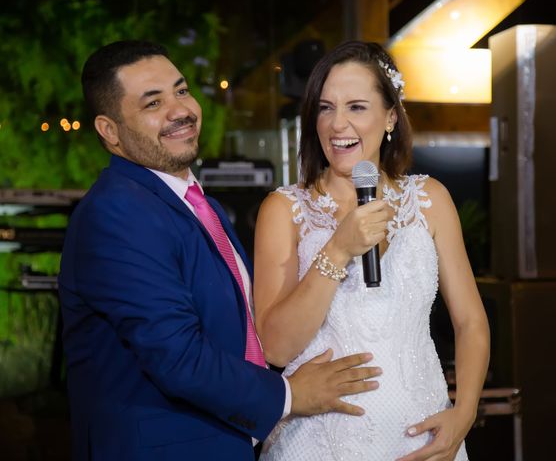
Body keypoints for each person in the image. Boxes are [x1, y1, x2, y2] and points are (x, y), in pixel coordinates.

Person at [57, 40, 383, 461]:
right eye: (153, 103)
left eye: (181, 90)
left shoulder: (196, 203)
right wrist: (290, 395)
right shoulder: (116, 212)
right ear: (110, 131)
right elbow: (177, 355)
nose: (180, 110)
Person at [253, 40, 490, 461]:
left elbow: (471, 321)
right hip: (319, 440)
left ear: (390, 117)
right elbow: (275, 347)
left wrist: (463, 414)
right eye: (325, 108)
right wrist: (338, 250)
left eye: (356, 107)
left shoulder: (430, 199)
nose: (337, 124)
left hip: (424, 438)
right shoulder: (284, 210)